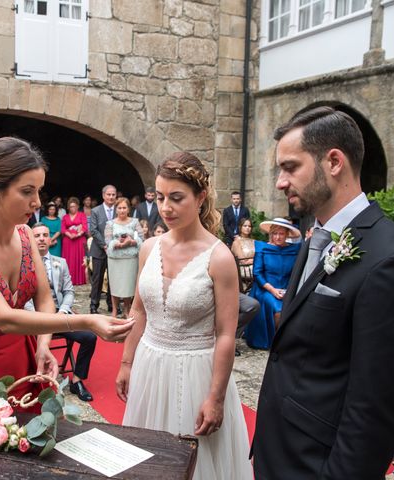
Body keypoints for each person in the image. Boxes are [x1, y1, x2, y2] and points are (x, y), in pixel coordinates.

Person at [252, 106, 394, 479]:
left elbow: (375, 409)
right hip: (277, 452)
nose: (280, 182)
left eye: (290, 167)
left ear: (334, 161)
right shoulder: (315, 237)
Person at [0, 137, 133, 406]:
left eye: (39, 191)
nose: (37, 202)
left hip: (22, 353)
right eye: (27, 191)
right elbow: (4, 318)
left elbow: (45, 299)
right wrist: (87, 321)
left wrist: (42, 344)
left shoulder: (26, 234)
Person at [116, 152, 252, 480]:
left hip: (196, 373)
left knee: (195, 465)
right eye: (161, 197)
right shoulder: (149, 248)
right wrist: (126, 362)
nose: (166, 207)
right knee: (146, 459)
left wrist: (215, 397)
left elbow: (225, 333)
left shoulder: (219, 258)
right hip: (150, 365)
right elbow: (139, 309)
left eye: (176, 198)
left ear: (200, 197)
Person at [27, 223, 97, 402]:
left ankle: (77, 380)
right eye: (37, 236)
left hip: (60, 314)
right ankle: (33, 381)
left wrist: (63, 312)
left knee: (89, 337)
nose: (42, 239)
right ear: (30, 240)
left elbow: (69, 291)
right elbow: (24, 297)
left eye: (45, 235)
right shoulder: (24, 265)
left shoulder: (61, 262)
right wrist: (37, 316)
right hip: (35, 317)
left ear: (51, 239)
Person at [245, 217, 300, 349]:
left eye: (281, 234)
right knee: (278, 310)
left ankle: (289, 342)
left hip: (287, 289)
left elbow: (296, 273)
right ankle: (278, 344)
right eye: (274, 234)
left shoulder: (294, 250)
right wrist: (273, 290)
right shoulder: (263, 248)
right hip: (264, 289)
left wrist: (289, 290)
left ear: (287, 234)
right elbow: (257, 274)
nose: (278, 237)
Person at [105, 197, 143, 318]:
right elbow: (107, 241)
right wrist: (119, 244)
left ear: (128, 209)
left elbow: (142, 238)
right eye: (119, 208)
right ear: (116, 210)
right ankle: (115, 310)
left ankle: (127, 309)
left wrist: (131, 241)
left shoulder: (135, 222)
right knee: (115, 285)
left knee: (128, 285)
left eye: (124, 208)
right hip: (115, 259)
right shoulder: (110, 224)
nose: (122, 210)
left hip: (130, 259)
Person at [89, 185, 117, 314]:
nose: (111, 197)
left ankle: (113, 304)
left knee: (114, 278)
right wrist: (105, 245)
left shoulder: (119, 209)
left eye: (113, 194)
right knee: (97, 278)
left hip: (116, 250)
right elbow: (93, 230)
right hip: (99, 250)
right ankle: (94, 305)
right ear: (103, 195)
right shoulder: (95, 211)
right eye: (109, 194)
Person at [61, 197, 88, 286]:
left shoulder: (82, 215)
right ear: (68, 207)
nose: (73, 208)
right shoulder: (65, 217)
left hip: (79, 240)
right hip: (68, 241)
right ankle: (68, 280)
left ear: (77, 206)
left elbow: (84, 227)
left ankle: (80, 279)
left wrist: (77, 235)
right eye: (71, 206)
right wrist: (70, 235)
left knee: (80, 258)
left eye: (74, 206)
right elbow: (63, 229)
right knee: (69, 259)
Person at [230, 217, 256, 292]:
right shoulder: (237, 242)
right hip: (243, 268)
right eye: (245, 226)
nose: (247, 228)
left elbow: (260, 257)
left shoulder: (254, 241)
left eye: (249, 226)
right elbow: (243, 261)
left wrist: (252, 260)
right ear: (240, 227)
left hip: (254, 267)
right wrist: (255, 260)